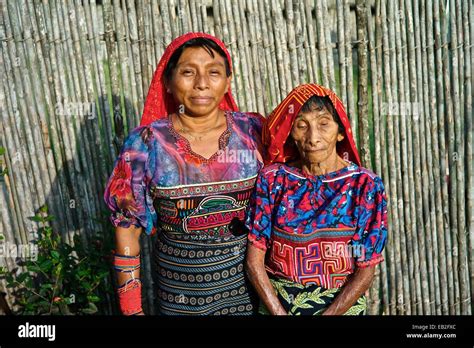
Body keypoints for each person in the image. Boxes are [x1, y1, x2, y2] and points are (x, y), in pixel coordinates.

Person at [104, 32, 264, 315]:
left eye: (214, 72)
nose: (202, 83)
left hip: (252, 294)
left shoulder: (254, 132)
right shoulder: (146, 143)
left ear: (228, 80)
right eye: (188, 72)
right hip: (179, 298)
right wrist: (131, 311)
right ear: (167, 81)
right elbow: (127, 228)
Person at [245, 83, 388, 315]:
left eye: (324, 124)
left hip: (341, 305)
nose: (313, 138)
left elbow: (365, 269)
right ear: (290, 133)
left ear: (340, 132)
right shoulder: (273, 180)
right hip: (278, 305)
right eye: (302, 125)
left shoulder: (365, 186)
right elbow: (254, 261)